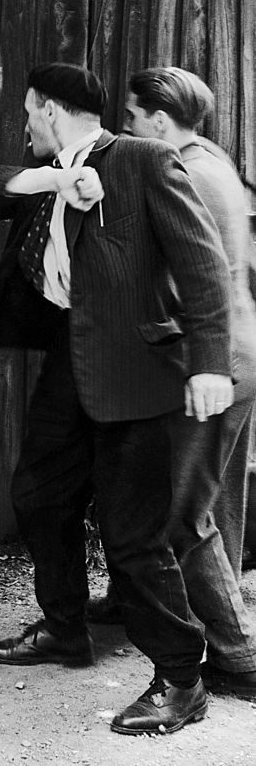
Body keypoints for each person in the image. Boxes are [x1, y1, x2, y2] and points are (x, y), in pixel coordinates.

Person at [0, 63, 233, 736]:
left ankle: (179, 680)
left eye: (27, 113)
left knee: (134, 536)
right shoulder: (47, 176)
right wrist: (55, 180)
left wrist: (209, 364)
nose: (23, 126)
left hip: (137, 373)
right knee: (40, 496)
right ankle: (63, 627)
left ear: (50, 109)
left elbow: (201, 265)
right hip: (68, 372)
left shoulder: (142, 159)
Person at [96, 65, 256, 702]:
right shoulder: (216, 162)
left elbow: (191, 269)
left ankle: (236, 655)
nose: (128, 128)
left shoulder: (179, 169)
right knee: (216, 502)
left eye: (133, 118)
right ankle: (221, 623)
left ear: (159, 121)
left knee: (180, 516)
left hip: (212, 364)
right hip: (245, 355)